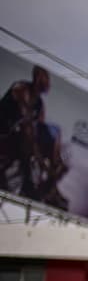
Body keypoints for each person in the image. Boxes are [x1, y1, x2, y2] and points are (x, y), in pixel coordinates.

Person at [0, 65, 51, 196]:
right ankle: (27, 183)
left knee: (30, 143)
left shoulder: (40, 105)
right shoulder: (21, 88)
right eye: (42, 78)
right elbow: (26, 122)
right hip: (3, 129)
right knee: (26, 136)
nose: (46, 82)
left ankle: (27, 184)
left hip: (13, 137)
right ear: (36, 78)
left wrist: (41, 159)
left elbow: (39, 131)